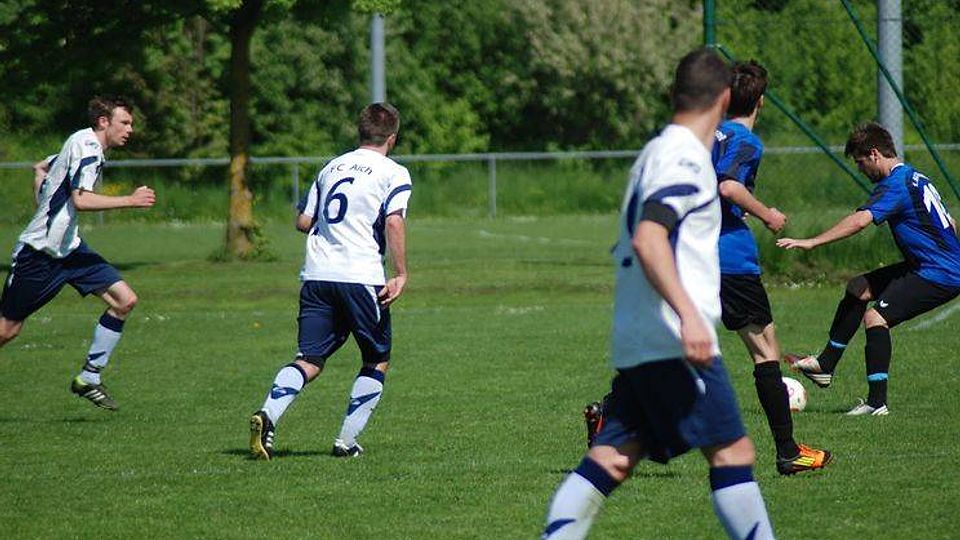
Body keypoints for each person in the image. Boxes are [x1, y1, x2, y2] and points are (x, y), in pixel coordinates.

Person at [542, 49, 775, 540]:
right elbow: (650, 237)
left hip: (640, 335)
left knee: (611, 459)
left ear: (674, 95)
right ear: (726, 98)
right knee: (733, 453)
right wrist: (690, 316)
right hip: (674, 340)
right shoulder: (687, 158)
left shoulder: (653, 151)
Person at [249, 102, 411, 460]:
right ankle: (346, 442)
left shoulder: (331, 167)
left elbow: (303, 221)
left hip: (317, 275)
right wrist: (400, 274)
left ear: (360, 132)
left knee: (309, 358)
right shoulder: (393, 172)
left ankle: (268, 414)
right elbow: (394, 221)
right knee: (375, 358)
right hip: (361, 276)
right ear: (392, 138)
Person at [778, 121, 960, 416]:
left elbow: (860, 220)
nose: (861, 170)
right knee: (858, 287)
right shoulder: (917, 177)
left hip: (940, 273)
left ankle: (877, 403)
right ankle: (826, 364)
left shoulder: (895, 185)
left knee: (876, 318)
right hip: (930, 264)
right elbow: (949, 223)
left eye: (861, 163)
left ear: (874, 154)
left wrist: (812, 242)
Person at [0, 96, 156, 411]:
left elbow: (42, 165)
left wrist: (41, 183)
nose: (130, 130)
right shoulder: (87, 146)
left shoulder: (82, 143)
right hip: (39, 254)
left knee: (125, 300)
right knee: (7, 330)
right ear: (103, 122)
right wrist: (130, 201)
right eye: (124, 122)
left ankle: (89, 378)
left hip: (70, 250)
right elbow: (81, 199)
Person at [712, 61, 831, 474]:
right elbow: (728, 185)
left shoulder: (702, 136)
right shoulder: (745, 141)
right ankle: (788, 451)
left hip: (688, 255)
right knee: (767, 353)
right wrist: (767, 214)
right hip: (730, 259)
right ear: (760, 101)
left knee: (677, 351)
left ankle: (610, 416)